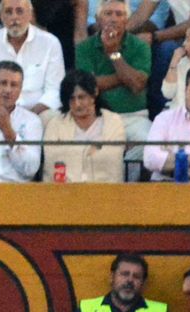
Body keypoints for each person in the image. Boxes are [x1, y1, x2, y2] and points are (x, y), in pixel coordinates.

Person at [74, 0, 153, 180]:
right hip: (97, 118)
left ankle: (127, 192)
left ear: (127, 20)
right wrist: (126, 76)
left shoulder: (140, 46)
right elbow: (88, 86)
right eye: (108, 14)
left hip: (134, 117)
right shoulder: (84, 48)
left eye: (119, 14)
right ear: (97, 19)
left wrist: (113, 54)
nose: (113, 19)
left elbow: (137, 85)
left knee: (151, 144)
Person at [0, 0, 65, 119]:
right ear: (1, 16)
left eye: (20, 11)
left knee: (52, 117)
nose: (14, 17)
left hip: (36, 112)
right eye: (8, 12)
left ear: (30, 14)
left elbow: (55, 90)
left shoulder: (50, 43)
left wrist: (30, 115)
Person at [42, 70, 126, 182]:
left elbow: (112, 157)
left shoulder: (113, 121)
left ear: (95, 92)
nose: (77, 104)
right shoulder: (55, 124)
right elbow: (53, 159)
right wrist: (93, 149)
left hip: (104, 192)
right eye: (72, 98)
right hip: (65, 193)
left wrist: (70, 152)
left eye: (81, 97)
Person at [73, 254, 173, 312]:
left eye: (136, 276)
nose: (129, 280)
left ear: (143, 283)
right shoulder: (86, 311)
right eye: (124, 274)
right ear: (112, 277)